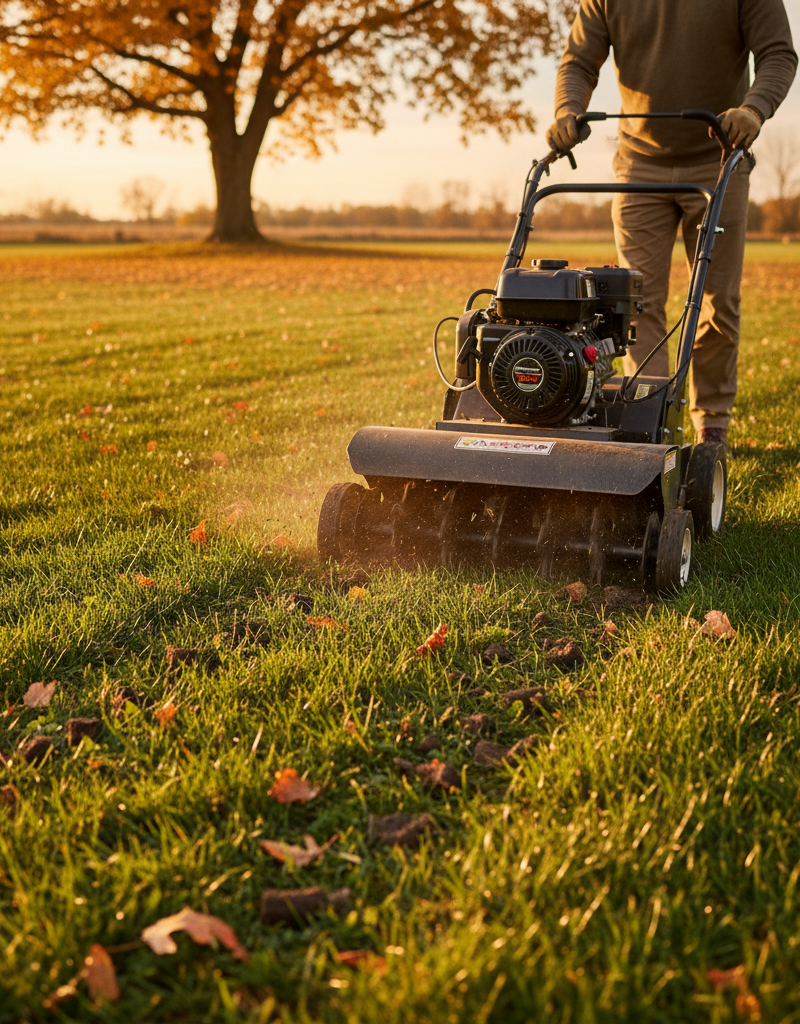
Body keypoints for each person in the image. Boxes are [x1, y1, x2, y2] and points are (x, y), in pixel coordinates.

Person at [546, 0, 797, 447]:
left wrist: (754, 109)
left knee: (719, 305)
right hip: (639, 163)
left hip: (720, 156)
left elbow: (778, 53)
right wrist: (568, 109)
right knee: (637, 308)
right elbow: (579, 62)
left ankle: (711, 424)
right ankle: (652, 424)